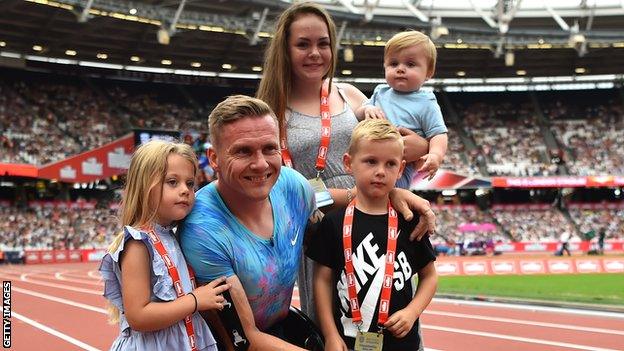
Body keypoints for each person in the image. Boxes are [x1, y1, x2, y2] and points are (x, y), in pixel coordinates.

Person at [256, 1, 436, 319]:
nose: (315, 53)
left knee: (387, 313)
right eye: (303, 44)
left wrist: (423, 146)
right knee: (334, 322)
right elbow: (277, 191)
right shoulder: (268, 111)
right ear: (284, 50)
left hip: (374, 220)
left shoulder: (351, 95)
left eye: (323, 43)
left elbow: (401, 147)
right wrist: (354, 195)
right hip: (319, 227)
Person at [180, 95, 318, 350]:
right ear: (214, 158)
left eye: (269, 148)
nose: (261, 164)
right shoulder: (202, 228)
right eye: (243, 151)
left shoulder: (292, 185)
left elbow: (331, 203)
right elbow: (243, 339)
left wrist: (395, 194)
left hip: (283, 331)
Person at [308, 119, 438, 351]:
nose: (380, 171)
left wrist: (412, 311)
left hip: (402, 344)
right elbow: (322, 280)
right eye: (370, 161)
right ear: (349, 163)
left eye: (390, 164)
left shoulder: (409, 221)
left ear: (401, 169)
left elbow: (429, 276)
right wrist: (330, 335)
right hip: (346, 342)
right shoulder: (333, 223)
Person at [99, 140, 231, 351]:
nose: (185, 190)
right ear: (144, 186)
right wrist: (195, 300)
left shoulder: (174, 235)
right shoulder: (138, 243)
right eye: (172, 182)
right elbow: (138, 317)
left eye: (190, 183)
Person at [356, 30, 448, 188]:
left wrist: (435, 155)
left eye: (410, 64)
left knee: (391, 195)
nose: (400, 69)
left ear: (429, 72)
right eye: (393, 64)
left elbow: (438, 134)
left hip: (399, 166)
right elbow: (358, 114)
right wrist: (366, 109)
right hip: (368, 157)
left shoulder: (426, 101)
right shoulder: (380, 91)